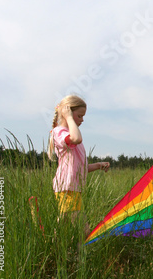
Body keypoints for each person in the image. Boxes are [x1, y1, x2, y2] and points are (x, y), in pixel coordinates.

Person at [47, 95, 110, 232]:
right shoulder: (60, 133)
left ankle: (53, 250)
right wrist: (69, 118)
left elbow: (80, 168)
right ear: (67, 112)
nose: (82, 120)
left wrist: (99, 165)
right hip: (67, 188)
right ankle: (79, 252)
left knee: (63, 226)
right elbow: (76, 138)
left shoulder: (70, 134)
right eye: (79, 116)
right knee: (84, 231)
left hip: (73, 189)